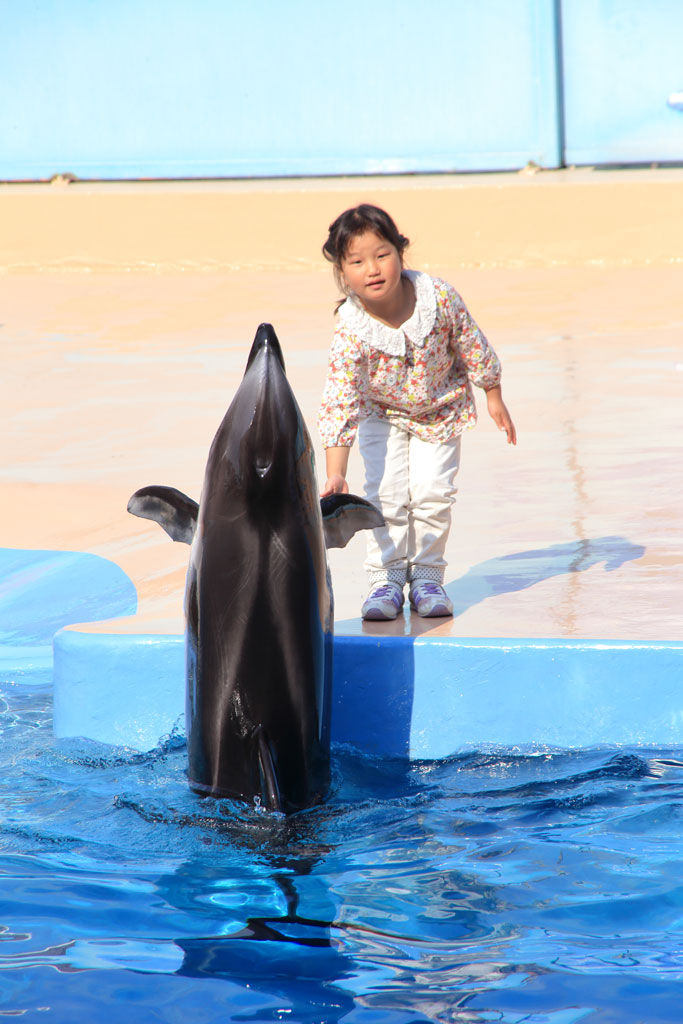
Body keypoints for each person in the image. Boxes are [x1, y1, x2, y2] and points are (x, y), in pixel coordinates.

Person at [318, 204, 516, 621]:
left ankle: (427, 577)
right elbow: (340, 397)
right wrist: (336, 472)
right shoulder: (352, 327)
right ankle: (386, 580)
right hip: (382, 415)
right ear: (342, 271)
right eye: (357, 261)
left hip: (440, 410)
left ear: (400, 251)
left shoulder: (437, 297)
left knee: (432, 495)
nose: (372, 269)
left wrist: (492, 393)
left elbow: (472, 342)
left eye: (382, 254)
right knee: (385, 497)